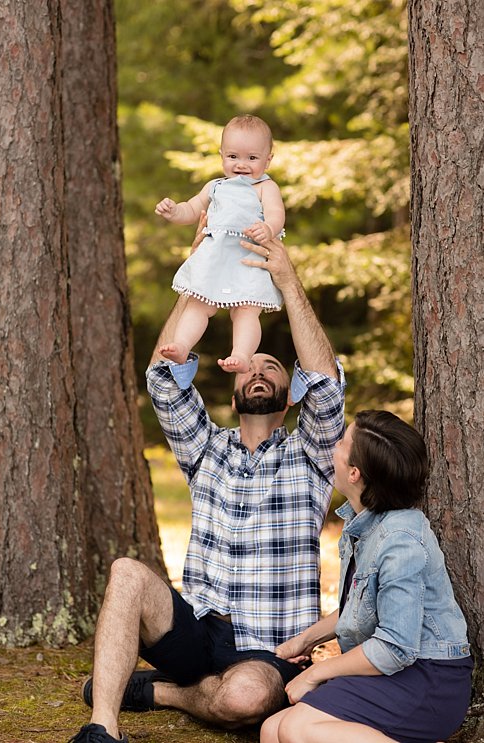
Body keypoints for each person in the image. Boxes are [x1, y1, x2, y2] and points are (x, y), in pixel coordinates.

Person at [71, 230, 345, 743]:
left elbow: (327, 382)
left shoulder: (310, 456)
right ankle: (101, 729)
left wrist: (285, 279)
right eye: (251, 366)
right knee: (126, 573)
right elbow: (161, 376)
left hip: (269, 647)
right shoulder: (206, 448)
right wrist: (198, 274)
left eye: (273, 367)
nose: (260, 370)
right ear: (234, 389)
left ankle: (161, 692)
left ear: (290, 397)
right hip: (196, 628)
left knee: (243, 699)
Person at [260, 411, 472, 743]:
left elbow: (396, 647)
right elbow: (359, 609)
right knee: (271, 731)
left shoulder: (400, 540)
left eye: (342, 442)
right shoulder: (365, 524)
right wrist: (301, 643)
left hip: (429, 680)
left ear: (355, 473)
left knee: (296, 729)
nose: (335, 444)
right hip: (393, 671)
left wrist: (316, 674)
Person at [155, 114, 286, 374]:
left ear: (268, 159)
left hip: (247, 258)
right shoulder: (215, 186)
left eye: (252, 158)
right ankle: (181, 345)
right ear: (222, 155)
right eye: (233, 156)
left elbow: (276, 215)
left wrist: (268, 228)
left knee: (246, 311)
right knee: (197, 305)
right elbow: (191, 210)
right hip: (215, 257)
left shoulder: (264, 187)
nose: (242, 165)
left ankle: (241, 354)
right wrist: (174, 212)